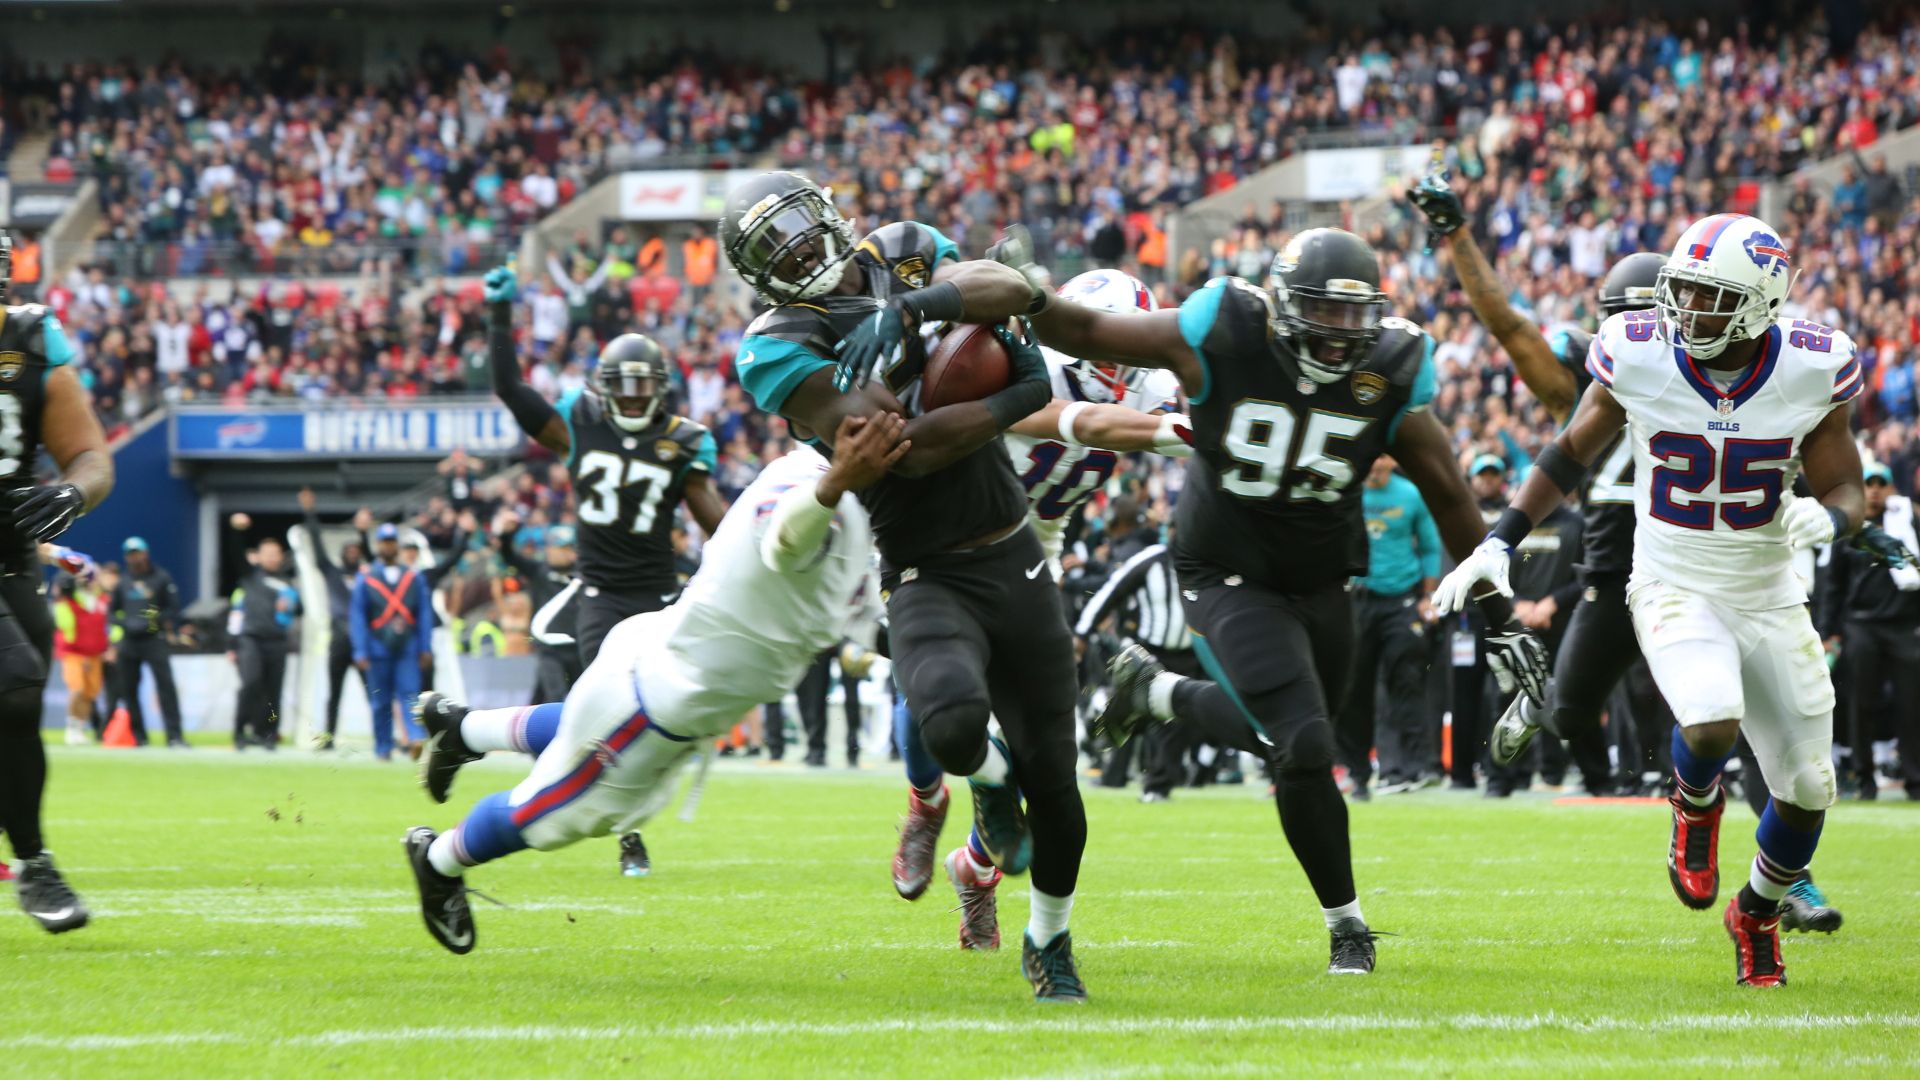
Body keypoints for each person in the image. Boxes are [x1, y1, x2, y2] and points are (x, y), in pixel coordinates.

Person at [1023, 226, 1552, 975]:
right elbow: (1084, 328)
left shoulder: (1393, 368)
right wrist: (1023, 293)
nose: (1341, 333)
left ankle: (1157, 692)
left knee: (1298, 736)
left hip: (1322, 576)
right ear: (1282, 306)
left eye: (1354, 314)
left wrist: (1500, 619)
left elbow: (1448, 494)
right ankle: (1348, 927)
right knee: (1303, 744)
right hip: (1225, 566)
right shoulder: (1227, 330)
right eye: (1323, 312)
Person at [1431, 212, 1915, 987]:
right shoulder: (1644, 354)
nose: (1685, 311)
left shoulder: (1811, 366)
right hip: (1673, 579)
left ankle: (1754, 914)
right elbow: (1570, 448)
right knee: (1711, 715)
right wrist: (1502, 537)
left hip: (1767, 590)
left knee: (1810, 788)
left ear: (1760, 304)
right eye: (1680, 291)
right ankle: (1695, 803)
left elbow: (1845, 482)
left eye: (1707, 296)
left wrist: (1828, 516)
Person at [723, 171, 1090, 1001]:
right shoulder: (776, 343)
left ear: (826, 213)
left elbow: (1014, 288)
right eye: (773, 247)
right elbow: (903, 448)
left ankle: (1050, 942)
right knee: (953, 723)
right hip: (922, 560)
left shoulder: (907, 251)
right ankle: (984, 787)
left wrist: (917, 308)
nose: (798, 251)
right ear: (758, 274)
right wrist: (1024, 391)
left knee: (1060, 787)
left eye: (797, 228)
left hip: (1013, 548)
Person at [403, 421, 899, 955]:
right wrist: (837, 483)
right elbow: (783, 537)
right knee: (551, 816)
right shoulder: (811, 488)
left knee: (578, 730)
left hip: (659, 659)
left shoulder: (834, 498)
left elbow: (869, 620)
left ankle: (464, 729)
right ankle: (438, 858)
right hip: (657, 699)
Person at [890, 268, 1191, 918]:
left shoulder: (1156, 378)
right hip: (955, 532)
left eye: (1127, 343)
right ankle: (925, 801)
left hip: (1037, 543)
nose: (1117, 359)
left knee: (1038, 746)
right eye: (1105, 343)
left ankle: (975, 868)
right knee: (931, 692)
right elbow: (1086, 425)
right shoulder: (1024, 362)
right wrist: (1176, 433)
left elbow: (1194, 411)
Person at [1410, 165, 1675, 793]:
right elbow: (1506, 322)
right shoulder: (1583, 382)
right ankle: (1545, 706)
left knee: (1714, 698)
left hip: (1690, 559)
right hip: (1613, 570)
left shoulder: (1713, 376)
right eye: (1628, 321)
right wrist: (1458, 236)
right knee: (1573, 710)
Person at [484, 265, 729, 878]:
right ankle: (620, 828)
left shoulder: (681, 441)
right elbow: (514, 393)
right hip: (600, 596)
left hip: (660, 595)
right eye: (622, 387)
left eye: (643, 387)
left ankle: (624, 823)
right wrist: (497, 319)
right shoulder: (581, 424)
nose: (632, 398)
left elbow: (715, 522)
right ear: (603, 390)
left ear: (661, 390)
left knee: (661, 718)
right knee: (606, 713)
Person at [0, 227, 117, 933]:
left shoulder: (32, 342)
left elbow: (92, 456)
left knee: (24, 678)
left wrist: (72, 495)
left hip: (10, 554)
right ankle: (36, 863)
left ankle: (32, 859)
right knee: (12, 685)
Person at [1076, 500, 1194, 804]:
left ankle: (1157, 786)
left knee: (1177, 723)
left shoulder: (1207, 560)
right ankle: (1111, 766)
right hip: (1149, 651)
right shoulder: (1150, 560)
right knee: (1128, 715)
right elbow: (1110, 592)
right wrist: (1081, 633)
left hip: (1190, 653)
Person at [1336, 456, 1440, 799]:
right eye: (1372, 458)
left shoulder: (1410, 494)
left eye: (1380, 458)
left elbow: (1429, 547)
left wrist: (1427, 596)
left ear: (1392, 459)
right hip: (1358, 600)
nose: (1375, 465)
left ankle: (1415, 767)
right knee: (1355, 688)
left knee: (1405, 680)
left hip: (1400, 600)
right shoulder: (1347, 492)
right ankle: (1360, 771)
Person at [1818, 462, 1920, 801]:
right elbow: (1833, 586)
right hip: (1861, 625)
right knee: (1861, 703)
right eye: (1869, 483)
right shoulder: (1849, 530)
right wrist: (1828, 631)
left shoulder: (1909, 525)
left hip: (1905, 626)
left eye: (1881, 483)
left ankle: (1914, 778)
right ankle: (1864, 779)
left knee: (1912, 705)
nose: (1875, 489)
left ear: (1891, 488)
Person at [351, 523, 435, 761]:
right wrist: (360, 650)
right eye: (384, 541)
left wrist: (425, 646)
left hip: (407, 646)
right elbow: (358, 616)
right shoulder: (366, 578)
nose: (388, 546)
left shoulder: (413, 577)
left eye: (391, 541)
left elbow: (424, 614)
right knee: (380, 700)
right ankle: (383, 747)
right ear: (378, 545)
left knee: (411, 695)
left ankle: (415, 738)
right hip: (377, 648)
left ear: (396, 544)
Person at [298, 490, 371, 750]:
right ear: (341, 555)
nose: (352, 553)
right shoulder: (332, 573)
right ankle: (328, 738)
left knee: (372, 692)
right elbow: (317, 547)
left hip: (362, 642)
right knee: (334, 693)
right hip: (339, 640)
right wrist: (310, 513)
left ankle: (381, 738)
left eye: (356, 550)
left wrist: (364, 532)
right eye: (348, 550)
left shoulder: (367, 577)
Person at [109, 536, 187, 747]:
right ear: (126, 557)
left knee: (166, 687)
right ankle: (138, 736)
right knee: (128, 689)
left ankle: (174, 736)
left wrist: (152, 621)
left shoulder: (161, 578)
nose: (135, 557)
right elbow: (111, 612)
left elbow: (173, 608)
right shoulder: (123, 583)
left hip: (154, 639)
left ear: (146, 553)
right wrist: (127, 623)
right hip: (129, 641)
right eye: (131, 554)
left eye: (138, 553)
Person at [228, 536, 301, 750]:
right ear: (258, 556)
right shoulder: (250, 576)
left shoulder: (287, 582)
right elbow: (235, 551)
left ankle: (268, 733)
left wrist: (289, 607)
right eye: (266, 553)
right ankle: (240, 731)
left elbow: (300, 609)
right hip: (251, 638)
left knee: (274, 691)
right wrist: (238, 531)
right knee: (251, 683)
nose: (271, 557)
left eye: (275, 553)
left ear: (281, 557)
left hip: (277, 641)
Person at [52, 556, 111, 746]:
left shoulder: (103, 599)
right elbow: (66, 624)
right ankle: (70, 728)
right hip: (74, 653)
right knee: (76, 689)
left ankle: (79, 728)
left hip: (95, 654)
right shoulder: (72, 598)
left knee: (89, 694)